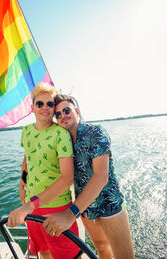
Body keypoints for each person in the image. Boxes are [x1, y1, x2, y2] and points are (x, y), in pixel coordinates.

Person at [43, 94, 135, 259]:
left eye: (66, 110)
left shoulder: (95, 132)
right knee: (101, 248)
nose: (63, 115)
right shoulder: (63, 142)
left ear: (76, 111)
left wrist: (70, 214)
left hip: (108, 204)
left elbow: (101, 176)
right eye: (58, 114)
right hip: (85, 208)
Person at [7, 84, 81, 259]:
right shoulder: (26, 131)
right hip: (32, 206)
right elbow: (28, 157)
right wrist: (22, 184)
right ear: (32, 108)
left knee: (66, 256)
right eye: (40, 104)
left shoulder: (60, 134)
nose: (45, 108)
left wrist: (28, 206)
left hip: (55, 208)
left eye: (50, 104)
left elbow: (67, 178)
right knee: (43, 252)